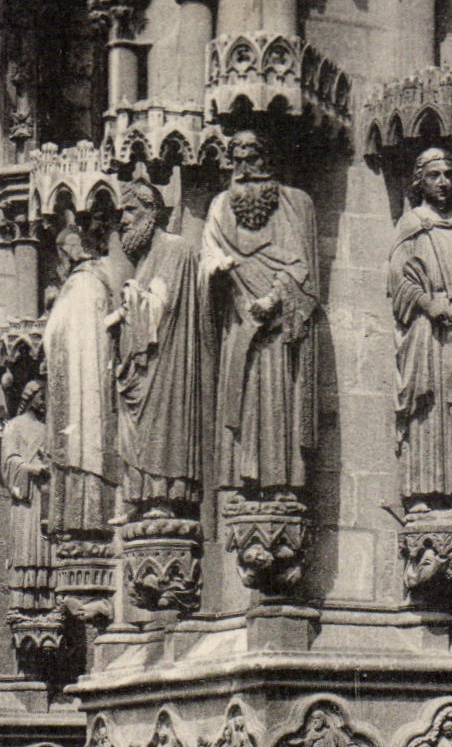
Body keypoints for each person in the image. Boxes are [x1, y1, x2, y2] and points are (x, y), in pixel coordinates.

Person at [202, 130, 319, 499]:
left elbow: (302, 268)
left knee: (278, 396)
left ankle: (281, 483)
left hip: (279, 324)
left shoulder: (293, 204)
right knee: (245, 396)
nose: (245, 170)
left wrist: (272, 299)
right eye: (237, 161)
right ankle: (245, 483)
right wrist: (218, 271)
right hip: (238, 319)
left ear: (266, 160)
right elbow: (208, 255)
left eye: (252, 159)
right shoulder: (220, 207)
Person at [113, 179, 224, 519]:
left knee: (159, 427)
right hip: (141, 367)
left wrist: (133, 299)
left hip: (167, 363)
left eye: (130, 210)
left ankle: (160, 497)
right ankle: (139, 497)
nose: (123, 220)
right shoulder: (145, 257)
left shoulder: (175, 248)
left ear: (152, 212)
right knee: (136, 430)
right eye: (121, 213)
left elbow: (166, 306)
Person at [388, 147, 452, 515]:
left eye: (448, 174)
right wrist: (429, 305)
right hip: (424, 327)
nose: (443, 182)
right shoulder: (411, 224)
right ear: (420, 181)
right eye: (434, 175)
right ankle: (419, 490)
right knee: (424, 404)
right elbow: (397, 277)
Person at [44, 220, 121, 540]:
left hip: (82, 386)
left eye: (62, 255)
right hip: (84, 385)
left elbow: (61, 334)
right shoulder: (93, 282)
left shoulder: (82, 284)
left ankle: (86, 518)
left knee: (81, 445)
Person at [1, 380, 52, 610]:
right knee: (25, 546)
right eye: (42, 397)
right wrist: (31, 469)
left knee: (45, 546)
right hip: (27, 497)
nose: (45, 402)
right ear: (30, 397)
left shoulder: (48, 428)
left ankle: (45, 601)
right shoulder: (15, 426)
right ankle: (22, 602)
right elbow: (9, 461)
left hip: (45, 496)